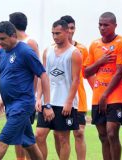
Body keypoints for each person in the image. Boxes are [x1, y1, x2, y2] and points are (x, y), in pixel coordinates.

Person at [0, 21, 53, 160]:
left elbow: (43, 75)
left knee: (2, 142)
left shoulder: (25, 51)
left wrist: (47, 104)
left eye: (3, 38)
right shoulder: (1, 53)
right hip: (11, 106)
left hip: (22, 106)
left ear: (13, 35)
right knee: (29, 145)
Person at [84, 12, 122, 160]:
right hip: (98, 95)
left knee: (111, 132)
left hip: (115, 95)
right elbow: (86, 72)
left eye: (106, 25)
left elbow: (119, 72)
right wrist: (100, 62)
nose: (102, 28)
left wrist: (105, 95)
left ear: (115, 26)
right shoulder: (94, 45)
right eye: (100, 24)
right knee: (103, 136)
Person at [36, 19, 82, 160]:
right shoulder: (47, 51)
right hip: (48, 101)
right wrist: (39, 98)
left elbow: (76, 80)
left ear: (67, 32)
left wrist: (69, 102)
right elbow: (42, 76)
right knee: (39, 135)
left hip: (64, 103)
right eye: (53, 33)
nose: (55, 36)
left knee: (63, 138)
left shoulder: (75, 53)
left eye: (58, 33)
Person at [51, 15, 94, 160]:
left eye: (72, 28)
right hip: (57, 99)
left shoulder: (81, 49)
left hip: (78, 98)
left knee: (79, 132)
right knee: (58, 134)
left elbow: (87, 73)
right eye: (67, 28)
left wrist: (97, 91)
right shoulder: (52, 50)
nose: (70, 31)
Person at [9, 11, 41, 160]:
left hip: (25, 98)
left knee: (25, 136)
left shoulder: (30, 43)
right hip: (14, 98)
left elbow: (38, 71)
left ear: (12, 25)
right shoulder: (13, 44)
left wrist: (32, 95)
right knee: (18, 133)